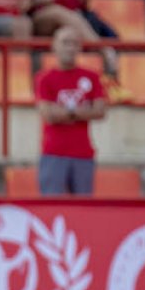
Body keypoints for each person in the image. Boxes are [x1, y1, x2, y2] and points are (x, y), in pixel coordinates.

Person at [34, 27, 108, 196]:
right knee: (51, 208)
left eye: (74, 43)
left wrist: (65, 113)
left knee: (83, 210)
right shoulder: (44, 78)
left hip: (82, 153)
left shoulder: (92, 77)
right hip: (53, 153)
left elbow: (100, 111)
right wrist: (82, 111)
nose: (70, 48)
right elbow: (48, 114)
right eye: (65, 43)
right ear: (55, 46)